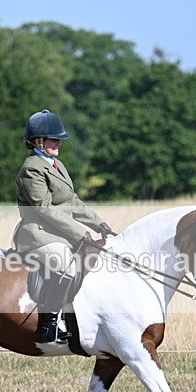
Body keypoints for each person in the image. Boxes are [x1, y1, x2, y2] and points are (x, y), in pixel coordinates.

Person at [13, 109, 114, 343]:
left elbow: (72, 201)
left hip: (58, 232)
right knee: (65, 267)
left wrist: (98, 223)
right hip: (39, 235)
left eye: (59, 139)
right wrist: (80, 232)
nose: (58, 143)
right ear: (38, 141)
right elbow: (44, 208)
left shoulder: (56, 164)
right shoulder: (31, 169)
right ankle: (49, 325)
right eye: (53, 139)